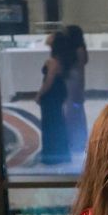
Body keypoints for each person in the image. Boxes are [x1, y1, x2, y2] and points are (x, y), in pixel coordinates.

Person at [36, 28, 83, 165]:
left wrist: (39, 94)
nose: (49, 36)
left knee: (50, 122)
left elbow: (49, 80)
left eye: (52, 36)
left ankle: (51, 153)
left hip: (51, 93)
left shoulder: (53, 61)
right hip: (58, 92)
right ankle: (60, 151)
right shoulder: (61, 60)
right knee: (57, 120)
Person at [61, 25, 90, 154]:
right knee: (71, 110)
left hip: (75, 81)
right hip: (71, 80)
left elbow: (81, 70)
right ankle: (72, 139)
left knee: (74, 110)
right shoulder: (72, 48)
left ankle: (78, 140)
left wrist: (81, 88)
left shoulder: (79, 50)